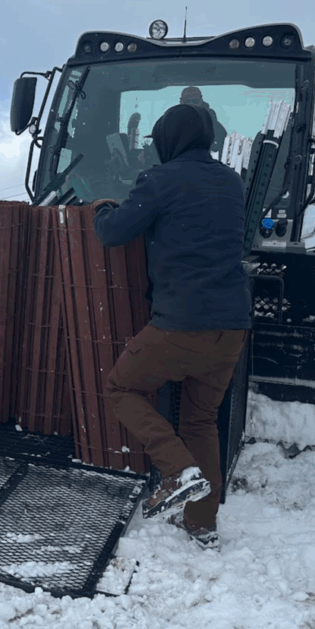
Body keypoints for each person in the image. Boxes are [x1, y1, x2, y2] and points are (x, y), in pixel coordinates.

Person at [91, 103, 251, 550]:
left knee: (121, 387)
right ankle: (203, 526)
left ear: (166, 140)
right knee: (200, 420)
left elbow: (113, 232)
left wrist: (103, 208)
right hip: (232, 327)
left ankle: (178, 471)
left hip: (182, 325)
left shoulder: (160, 180)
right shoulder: (232, 182)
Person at [179, 86, 228, 155]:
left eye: (195, 101)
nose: (191, 104)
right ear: (181, 101)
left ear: (201, 101)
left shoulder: (214, 126)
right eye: (187, 101)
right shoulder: (170, 125)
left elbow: (224, 148)